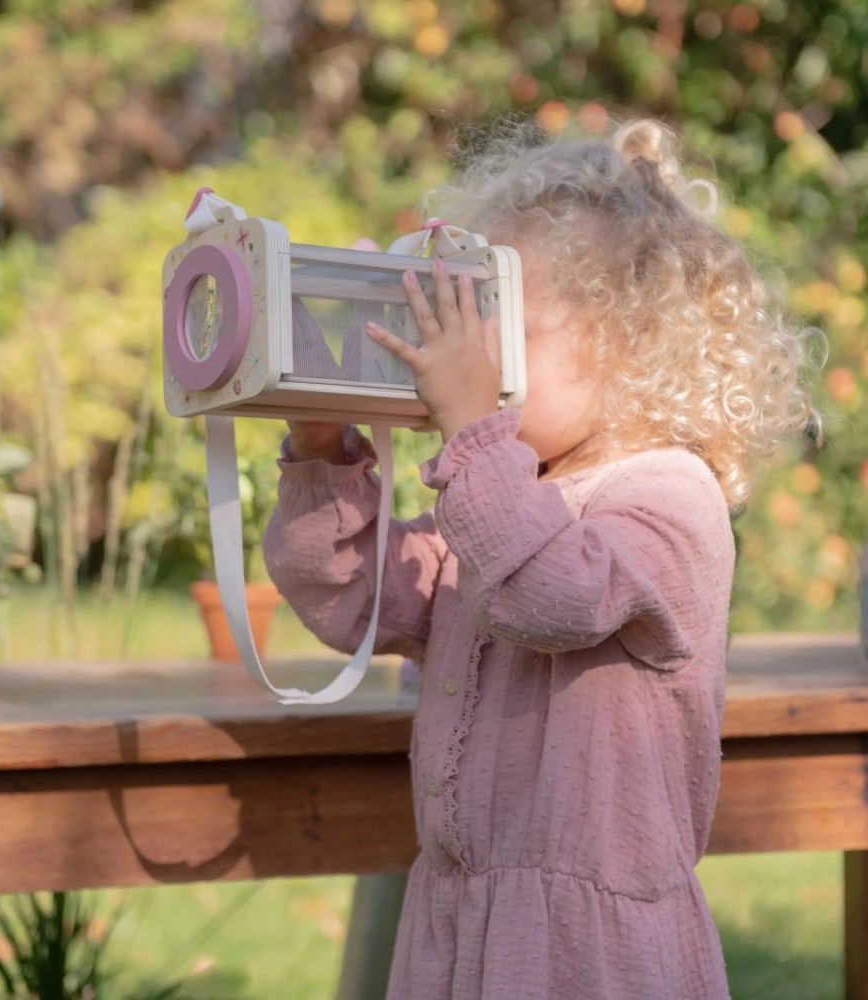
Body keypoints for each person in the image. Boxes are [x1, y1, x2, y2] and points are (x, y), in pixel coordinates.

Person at [262, 116, 818, 1000]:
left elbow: (547, 593)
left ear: (632, 344)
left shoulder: (671, 497)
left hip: (590, 955)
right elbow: (347, 596)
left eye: (501, 329)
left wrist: (474, 435)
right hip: (458, 924)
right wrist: (322, 442)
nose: (471, 359)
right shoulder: (502, 491)